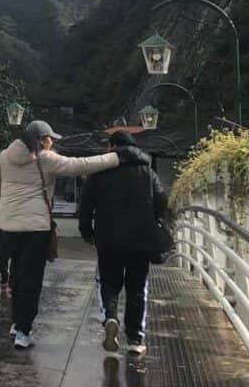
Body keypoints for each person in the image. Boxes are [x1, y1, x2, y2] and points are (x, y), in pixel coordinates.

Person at [0, 120, 145, 349]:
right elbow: (81, 165)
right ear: (40, 139)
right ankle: (24, 332)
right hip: (36, 229)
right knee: (31, 280)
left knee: (16, 276)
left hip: (8, 227)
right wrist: (120, 156)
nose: (52, 142)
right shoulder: (45, 159)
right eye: (50, 139)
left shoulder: (5, 156)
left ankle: (17, 323)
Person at [78, 130, 168, 357]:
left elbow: (85, 205)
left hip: (108, 240)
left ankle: (110, 317)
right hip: (141, 240)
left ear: (112, 147)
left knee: (108, 282)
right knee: (137, 288)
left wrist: (87, 232)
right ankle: (136, 339)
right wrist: (151, 218)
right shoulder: (147, 171)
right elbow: (161, 200)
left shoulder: (99, 173)